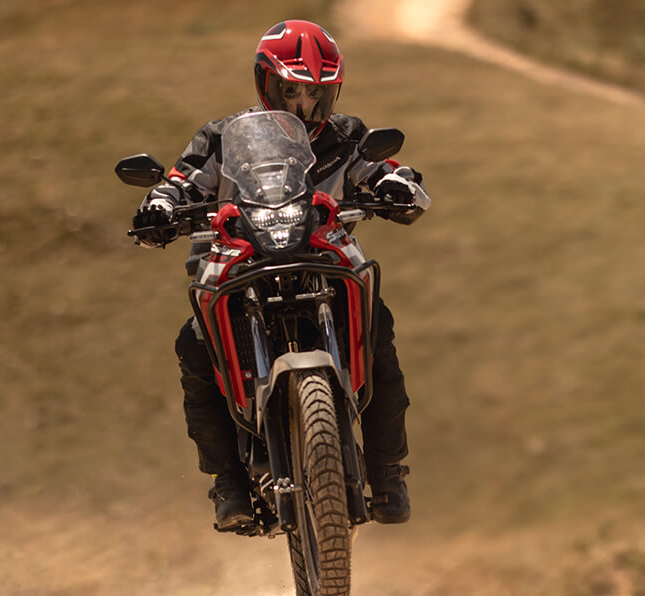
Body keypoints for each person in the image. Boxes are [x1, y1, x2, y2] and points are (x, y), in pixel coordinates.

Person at [131, 20, 431, 530]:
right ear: (264, 82)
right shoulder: (223, 136)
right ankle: (228, 483)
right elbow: (178, 181)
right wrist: (160, 205)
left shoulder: (347, 136)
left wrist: (400, 185)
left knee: (378, 333)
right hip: (240, 256)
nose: (303, 105)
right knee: (194, 346)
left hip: (322, 253)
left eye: (316, 93)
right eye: (291, 90)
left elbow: (391, 171)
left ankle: (387, 474)